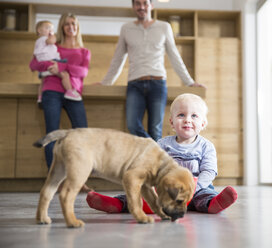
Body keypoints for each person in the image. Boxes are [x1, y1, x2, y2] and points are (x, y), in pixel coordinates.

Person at [86, 93, 238, 214]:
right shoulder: (163, 144)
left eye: (194, 116)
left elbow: (209, 171)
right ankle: (117, 204)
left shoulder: (206, 146)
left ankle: (214, 204)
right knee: (140, 194)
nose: (187, 120)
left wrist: (193, 188)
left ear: (203, 124)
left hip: (196, 189)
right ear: (172, 122)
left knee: (205, 196)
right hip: (165, 189)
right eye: (181, 115)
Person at [100, 0, 205, 141]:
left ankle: (154, 161)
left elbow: (175, 57)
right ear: (133, 6)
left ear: (151, 5)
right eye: (137, 3)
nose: (141, 6)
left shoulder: (164, 27)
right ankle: (155, 150)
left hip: (157, 83)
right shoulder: (126, 29)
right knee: (132, 126)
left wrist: (189, 82)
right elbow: (117, 59)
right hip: (134, 84)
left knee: (156, 129)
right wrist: (105, 83)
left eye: (145, 3)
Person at [29, 13, 92, 192]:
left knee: (83, 136)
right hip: (52, 91)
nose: (70, 27)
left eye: (73, 23)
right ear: (61, 28)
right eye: (66, 24)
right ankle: (54, 181)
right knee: (52, 136)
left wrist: (61, 66)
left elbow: (82, 72)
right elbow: (34, 65)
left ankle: (80, 180)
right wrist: (52, 67)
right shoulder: (51, 46)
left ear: (77, 26)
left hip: (74, 94)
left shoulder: (84, 51)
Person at [34, 20, 82, 106]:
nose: (50, 31)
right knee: (65, 74)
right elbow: (52, 41)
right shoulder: (44, 39)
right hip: (51, 61)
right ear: (39, 31)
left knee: (43, 82)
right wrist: (54, 36)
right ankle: (69, 91)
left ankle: (40, 97)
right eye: (47, 28)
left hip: (43, 64)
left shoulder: (38, 42)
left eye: (52, 29)